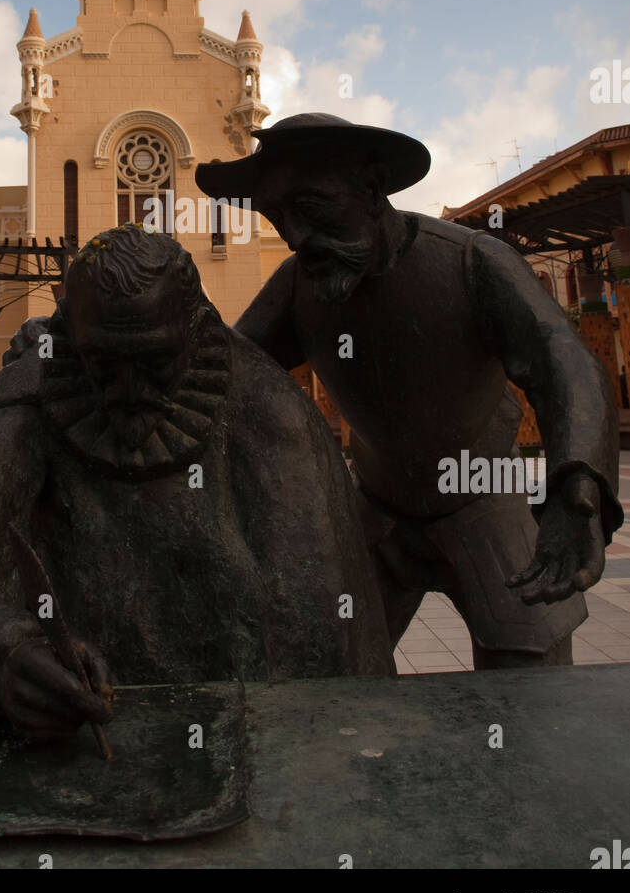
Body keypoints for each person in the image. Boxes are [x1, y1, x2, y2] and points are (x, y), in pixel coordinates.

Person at [0, 224, 393, 742]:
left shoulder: (267, 405)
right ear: (72, 335)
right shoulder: (33, 386)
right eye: (103, 363)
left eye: (155, 362)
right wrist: (5, 651)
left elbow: (313, 618)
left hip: (242, 719)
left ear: (196, 328)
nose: (129, 389)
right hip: (85, 735)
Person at [195, 113, 623, 670]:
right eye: (279, 217)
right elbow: (229, 373)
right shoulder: (300, 285)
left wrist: (577, 482)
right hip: (376, 510)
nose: (298, 237)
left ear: (372, 192)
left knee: (531, 682)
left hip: (486, 503)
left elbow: (564, 361)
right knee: (332, 668)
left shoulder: (472, 262)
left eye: (312, 207)